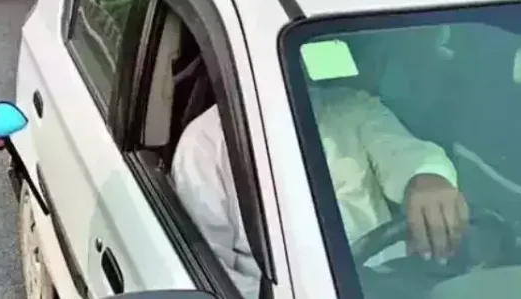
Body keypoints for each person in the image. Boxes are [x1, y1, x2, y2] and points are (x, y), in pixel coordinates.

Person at [172, 87, 466, 298]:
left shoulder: (352, 108)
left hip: (385, 284)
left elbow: (408, 155)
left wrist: (427, 178)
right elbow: (210, 267)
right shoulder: (204, 144)